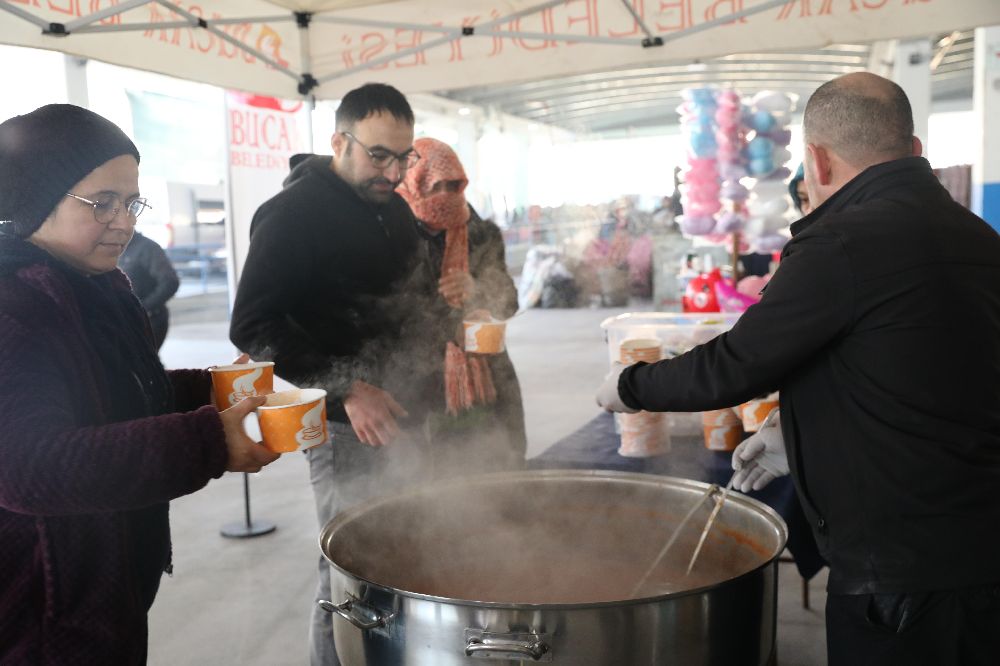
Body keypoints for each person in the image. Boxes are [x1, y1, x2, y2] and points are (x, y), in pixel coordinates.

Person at [596, 72, 1000, 666]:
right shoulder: (980, 238)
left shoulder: (839, 242)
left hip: (901, 577)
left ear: (815, 159)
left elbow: (736, 366)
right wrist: (801, 433)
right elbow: (916, 369)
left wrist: (631, 387)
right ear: (915, 150)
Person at [0, 104, 278, 664]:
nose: (124, 222)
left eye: (130, 202)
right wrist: (208, 441)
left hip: (105, 588)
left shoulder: (97, 284)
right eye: (101, 203)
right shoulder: (14, 304)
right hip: (41, 611)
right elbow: (29, 467)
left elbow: (114, 399)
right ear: (35, 202)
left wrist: (217, 390)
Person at [228, 83, 433, 666]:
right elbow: (253, 325)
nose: (393, 172)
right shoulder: (291, 216)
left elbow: (406, 300)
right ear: (339, 141)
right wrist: (347, 389)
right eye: (379, 155)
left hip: (407, 414)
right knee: (350, 573)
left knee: (406, 555)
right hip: (348, 429)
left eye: (404, 156)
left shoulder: (392, 209)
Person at [398, 137, 527, 472]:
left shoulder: (481, 233)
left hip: (489, 372)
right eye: (435, 186)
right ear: (414, 184)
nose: (446, 195)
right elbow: (393, 311)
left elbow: (509, 302)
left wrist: (478, 288)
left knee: (500, 464)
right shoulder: (396, 235)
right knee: (442, 475)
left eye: (454, 185)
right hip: (428, 377)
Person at [119, 229, 179, 349]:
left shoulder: (147, 248)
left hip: (149, 321)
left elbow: (170, 282)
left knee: (144, 364)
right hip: (124, 320)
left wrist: (142, 308)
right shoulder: (113, 248)